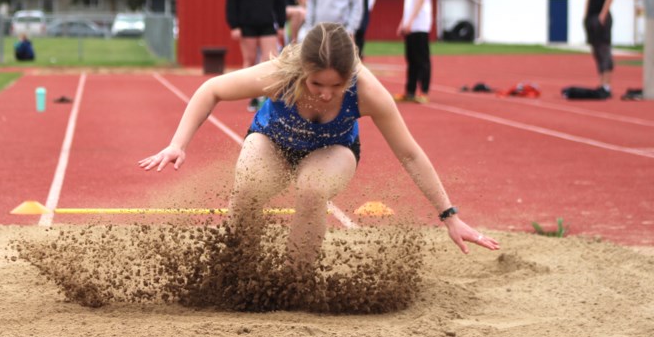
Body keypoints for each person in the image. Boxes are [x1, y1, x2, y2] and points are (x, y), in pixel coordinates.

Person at [139, 22, 499, 270]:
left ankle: (296, 280)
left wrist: (449, 216)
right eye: (316, 85)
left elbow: (409, 153)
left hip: (334, 151)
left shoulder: (369, 92)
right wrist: (177, 144)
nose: (326, 94)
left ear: (351, 76)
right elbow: (211, 89)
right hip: (273, 139)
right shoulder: (281, 74)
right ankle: (235, 268)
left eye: (337, 85)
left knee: (312, 189)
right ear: (302, 72)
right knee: (249, 186)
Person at [224, 0, 286, 111]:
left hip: (267, 24)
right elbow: (231, 3)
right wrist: (234, 25)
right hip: (247, 25)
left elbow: (279, 1)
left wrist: (281, 23)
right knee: (250, 61)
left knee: (269, 60)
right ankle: (251, 96)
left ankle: (266, 95)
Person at [395, 0, 432, 104]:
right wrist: (403, 21)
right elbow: (410, 3)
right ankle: (409, 91)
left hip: (420, 24)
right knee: (411, 58)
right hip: (411, 23)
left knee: (421, 58)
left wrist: (410, 21)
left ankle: (423, 91)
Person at [583, 0, 615, 96]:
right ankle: (601, 82)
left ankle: (607, 85)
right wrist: (585, 14)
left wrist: (603, 14)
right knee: (595, 50)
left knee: (604, 50)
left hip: (602, 17)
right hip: (591, 16)